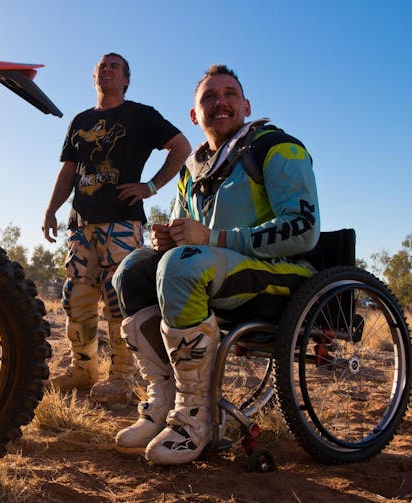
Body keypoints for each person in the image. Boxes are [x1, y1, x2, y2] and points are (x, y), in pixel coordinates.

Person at [111, 65, 320, 464]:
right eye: (208, 97)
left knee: (182, 264)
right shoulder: (192, 168)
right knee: (133, 268)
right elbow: (185, 236)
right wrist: (167, 239)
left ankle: (196, 418)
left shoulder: (277, 148)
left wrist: (212, 239)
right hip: (210, 272)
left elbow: (304, 228)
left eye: (229, 94)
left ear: (246, 105)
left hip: (283, 275)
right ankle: (165, 400)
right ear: (194, 115)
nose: (219, 101)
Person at [42, 53, 191, 406]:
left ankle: (122, 379)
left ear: (126, 80)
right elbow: (68, 172)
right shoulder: (79, 121)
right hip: (80, 225)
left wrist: (150, 187)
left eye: (115, 66)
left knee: (118, 301)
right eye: (101, 66)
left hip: (122, 223)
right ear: (93, 76)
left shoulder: (140, 115)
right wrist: (51, 210)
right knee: (75, 299)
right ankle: (83, 369)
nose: (106, 69)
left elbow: (182, 147)